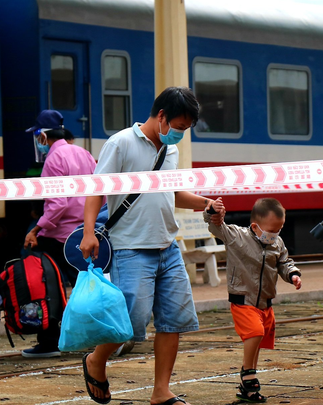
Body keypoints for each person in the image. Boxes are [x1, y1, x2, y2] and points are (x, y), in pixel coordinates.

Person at [79, 87, 214, 405]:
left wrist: (205, 203)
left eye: (185, 129)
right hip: (131, 247)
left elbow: (174, 192)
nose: (180, 134)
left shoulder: (170, 151)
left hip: (168, 246)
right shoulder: (121, 143)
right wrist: (88, 233)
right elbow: (95, 190)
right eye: (179, 127)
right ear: (162, 116)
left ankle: (161, 392)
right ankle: (96, 361)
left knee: (173, 321)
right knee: (129, 321)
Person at [203, 197, 301, 403]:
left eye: (279, 230)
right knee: (254, 333)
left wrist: (292, 274)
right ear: (255, 226)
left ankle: (247, 390)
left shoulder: (277, 242)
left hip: (265, 301)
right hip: (242, 298)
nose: (275, 235)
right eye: (272, 230)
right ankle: (248, 374)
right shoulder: (237, 236)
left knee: (258, 340)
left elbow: (284, 262)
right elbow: (215, 226)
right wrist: (212, 210)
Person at [22, 109, 96, 358]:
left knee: (47, 285)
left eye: (37, 136)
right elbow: (100, 192)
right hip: (84, 232)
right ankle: (97, 336)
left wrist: (37, 229)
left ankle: (50, 340)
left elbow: (57, 204)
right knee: (86, 285)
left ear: (42, 136)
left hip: (59, 234)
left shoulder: (53, 160)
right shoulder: (84, 153)